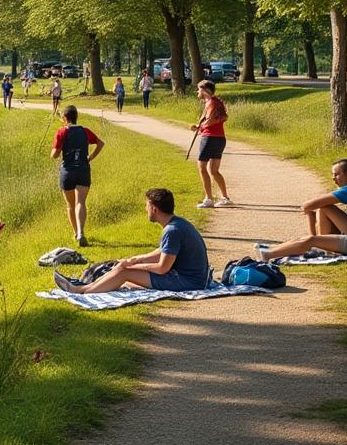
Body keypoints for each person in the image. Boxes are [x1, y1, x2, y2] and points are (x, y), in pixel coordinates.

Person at [53, 188, 210, 294]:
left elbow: (162, 267)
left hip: (188, 281)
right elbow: (161, 252)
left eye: (147, 206)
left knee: (124, 273)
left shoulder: (172, 230)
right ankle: (84, 287)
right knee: (123, 269)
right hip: (191, 277)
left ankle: (81, 291)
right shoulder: (176, 223)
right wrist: (132, 260)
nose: (145, 209)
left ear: (154, 209)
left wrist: (133, 266)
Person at [256, 159, 347, 260]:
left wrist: (309, 219)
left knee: (311, 239)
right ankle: (323, 248)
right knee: (324, 208)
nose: (333, 178)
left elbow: (309, 205)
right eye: (332, 175)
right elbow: (318, 204)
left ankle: (267, 255)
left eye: (336, 174)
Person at [51, 105, 104, 246]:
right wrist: (90, 157)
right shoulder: (85, 131)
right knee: (81, 202)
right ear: (76, 117)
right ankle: (81, 232)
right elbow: (100, 143)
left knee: (70, 205)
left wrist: (59, 149)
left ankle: (76, 233)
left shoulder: (61, 132)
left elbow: (54, 155)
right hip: (83, 170)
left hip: (67, 171)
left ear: (64, 118)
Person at [192, 79, 232, 208]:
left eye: (199, 89)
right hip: (220, 138)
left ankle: (208, 199)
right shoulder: (217, 101)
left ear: (204, 90)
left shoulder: (210, 102)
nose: (197, 92)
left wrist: (200, 126)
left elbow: (210, 120)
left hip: (209, 138)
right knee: (214, 170)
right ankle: (225, 198)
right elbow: (224, 117)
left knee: (202, 167)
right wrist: (201, 127)